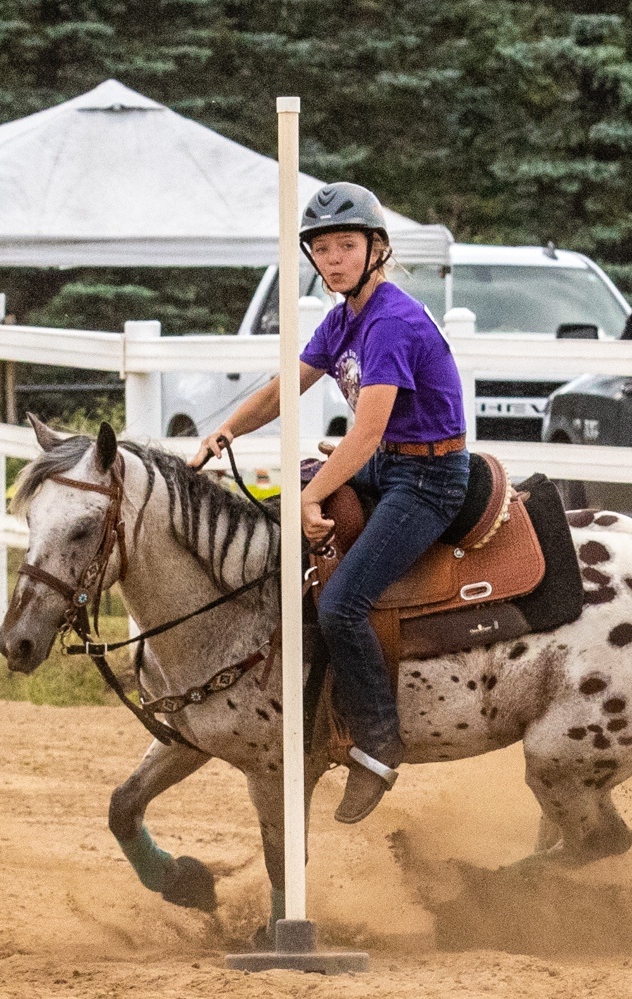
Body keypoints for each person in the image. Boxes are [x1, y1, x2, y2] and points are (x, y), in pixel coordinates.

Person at [190, 182, 468, 823]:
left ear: (377, 249)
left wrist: (311, 494)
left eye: (346, 245)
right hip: (390, 463)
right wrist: (227, 431)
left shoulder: (390, 322)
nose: (333, 259)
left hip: (428, 478)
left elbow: (365, 433)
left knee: (343, 602)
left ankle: (378, 743)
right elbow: (285, 387)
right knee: (284, 535)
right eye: (321, 248)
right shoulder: (345, 318)